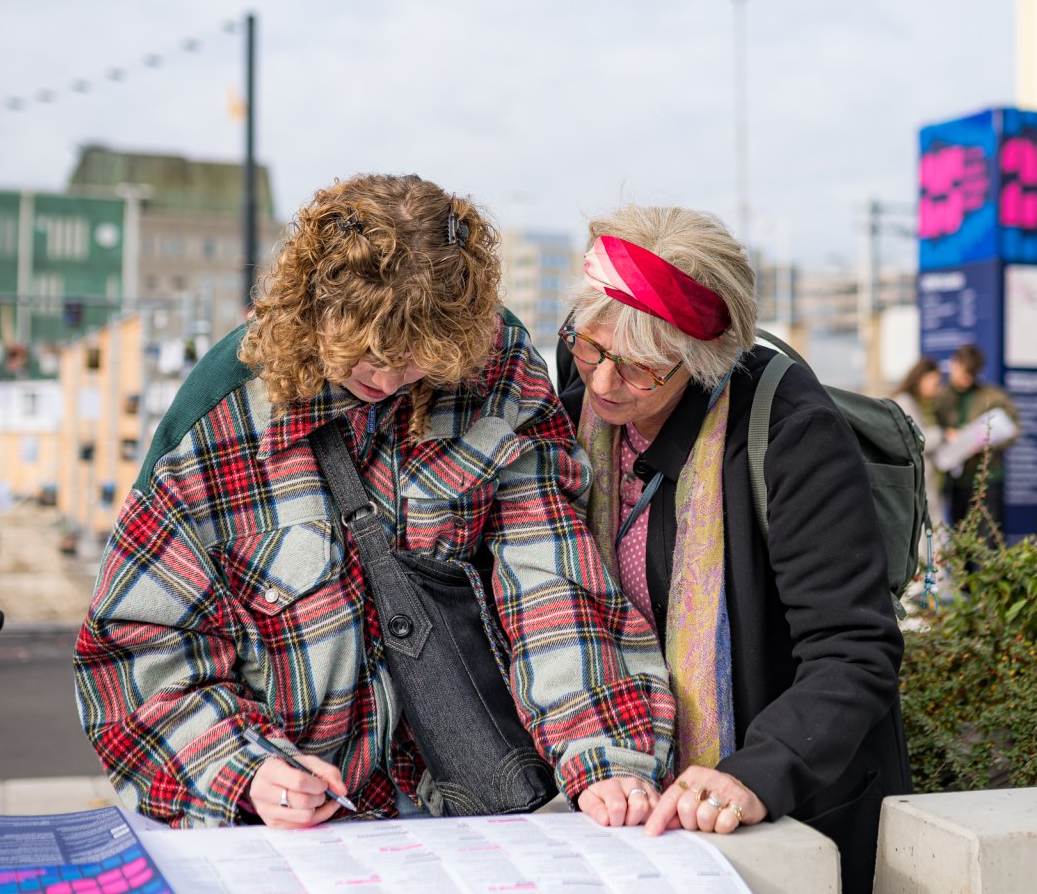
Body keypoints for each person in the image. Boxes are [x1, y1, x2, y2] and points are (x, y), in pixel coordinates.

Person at [75, 175, 674, 831]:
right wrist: (243, 767)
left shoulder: (495, 363)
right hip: (301, 826)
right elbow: (142, 643)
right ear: (313, 306)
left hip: (476, 801)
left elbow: (549, 574)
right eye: (365, 352)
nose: (387, 379)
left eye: (417, 357)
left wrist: (602, 752)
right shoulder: (219, 417)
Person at [553, 205, 907, 894]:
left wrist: (759, 771)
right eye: (590, 348)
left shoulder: (792, 430)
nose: (602, 383)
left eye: (641, 369)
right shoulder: (576, 411)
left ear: (701, 358)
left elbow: (853, 650)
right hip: (620, 810)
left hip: (779, 809)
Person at [941, 344, 1018, 543]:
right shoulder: (940, 398)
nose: (966, 380)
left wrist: (988, 443)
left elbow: (1014, 430)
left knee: (989, 540)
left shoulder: (993, 396)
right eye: (963, 373)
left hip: (988, 479)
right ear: (953, 364)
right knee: (961, 541)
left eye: (971, 375)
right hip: (956, 480)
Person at [893, 357, 950, 536]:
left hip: (929, 482)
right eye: (935, 383)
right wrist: (943, 434)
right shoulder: (905, 402)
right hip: (919, 484)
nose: (937, 389)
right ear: (921, 378)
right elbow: (916, 438)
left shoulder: (922, 405)